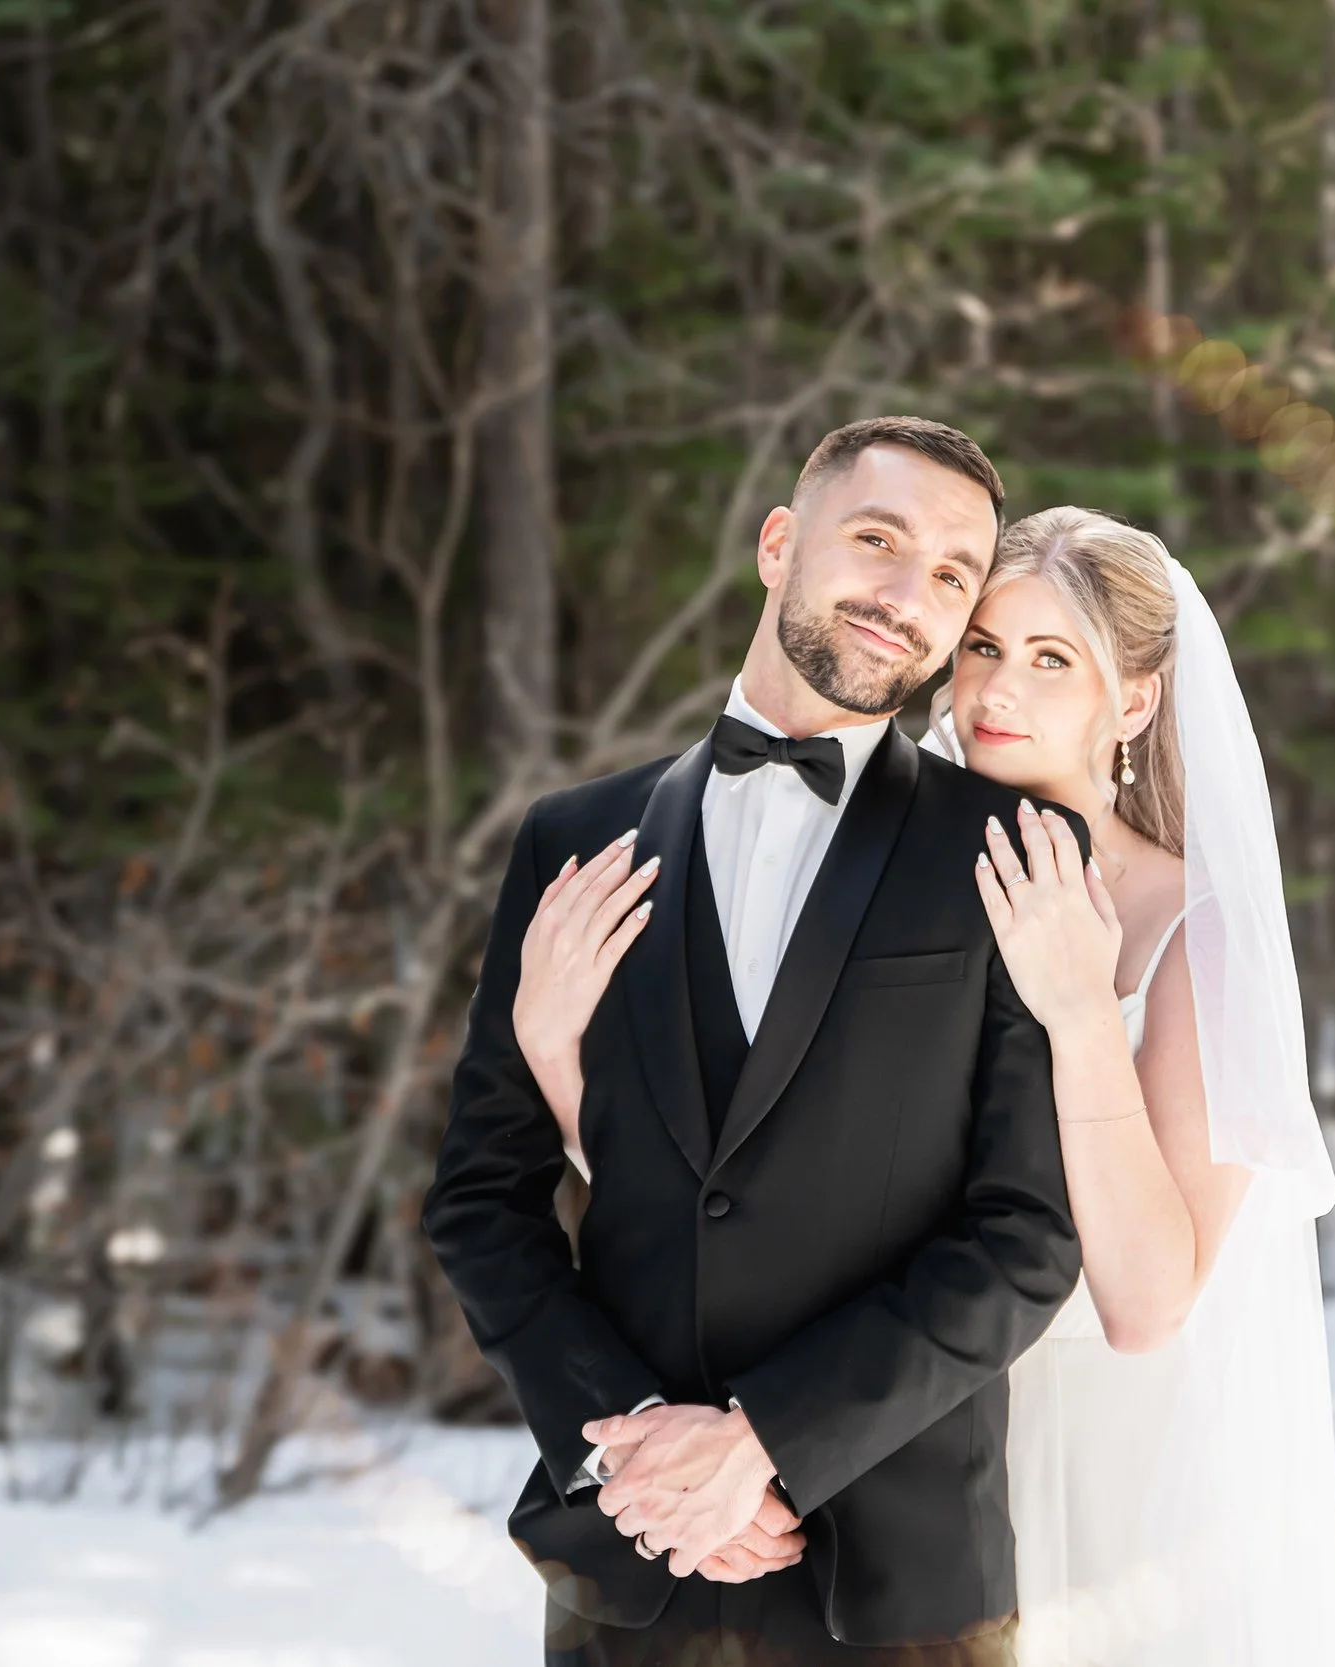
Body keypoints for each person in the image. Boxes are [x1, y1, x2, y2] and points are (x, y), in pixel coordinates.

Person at [512, 505, 1335, 1667]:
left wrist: (1075, 1009)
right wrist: (555, 1049)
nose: (996, 690)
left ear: (1138, 701)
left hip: (1098, 1458)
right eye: (983, 647)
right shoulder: (886, 871)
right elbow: (735, 1184)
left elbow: (1149, 1302)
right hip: (881, 1430)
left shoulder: (1189, 932)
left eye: (1053, 659)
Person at [422, 416, 1087, 1667]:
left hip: (901, 1592)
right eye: (877, 539)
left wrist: (761, 1441)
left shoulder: (1011, 849)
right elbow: (479, 1197)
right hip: (633, 1570)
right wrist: (632, 1455)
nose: (906, 594)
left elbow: (1028, 1236)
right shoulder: (571, 839)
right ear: (780, 543)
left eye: (951, 574)